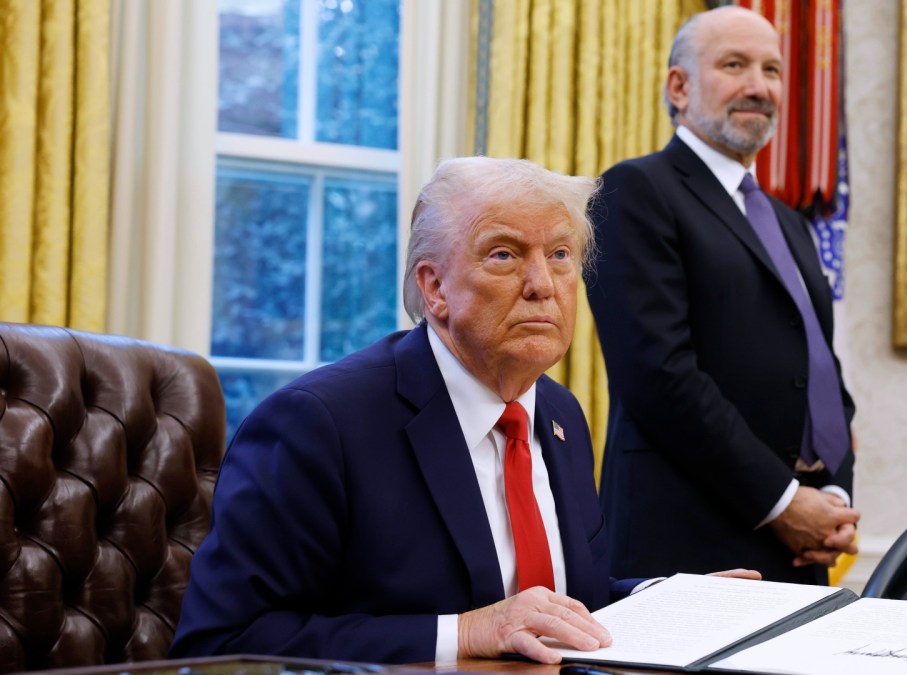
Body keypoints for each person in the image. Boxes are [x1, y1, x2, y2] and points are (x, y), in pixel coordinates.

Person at [171, 157, 759, 665]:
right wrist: (467, 633)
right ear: (435, 288)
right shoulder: (318, 424)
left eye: (560, 255)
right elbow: (224, 644)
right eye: (504, 255)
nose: (542, 284)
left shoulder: (560, 413)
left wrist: (668, 600)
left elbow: (558, 599)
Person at [585, 6, 859, 586]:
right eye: (735, 65)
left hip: (802, 549)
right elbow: (658, 375)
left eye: (772, 70)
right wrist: (783, 503)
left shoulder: (789, 222)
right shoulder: (635, 190)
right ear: (679, 87)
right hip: (687, 546)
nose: (759, 86)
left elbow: (819, 370)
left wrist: (833, 496)